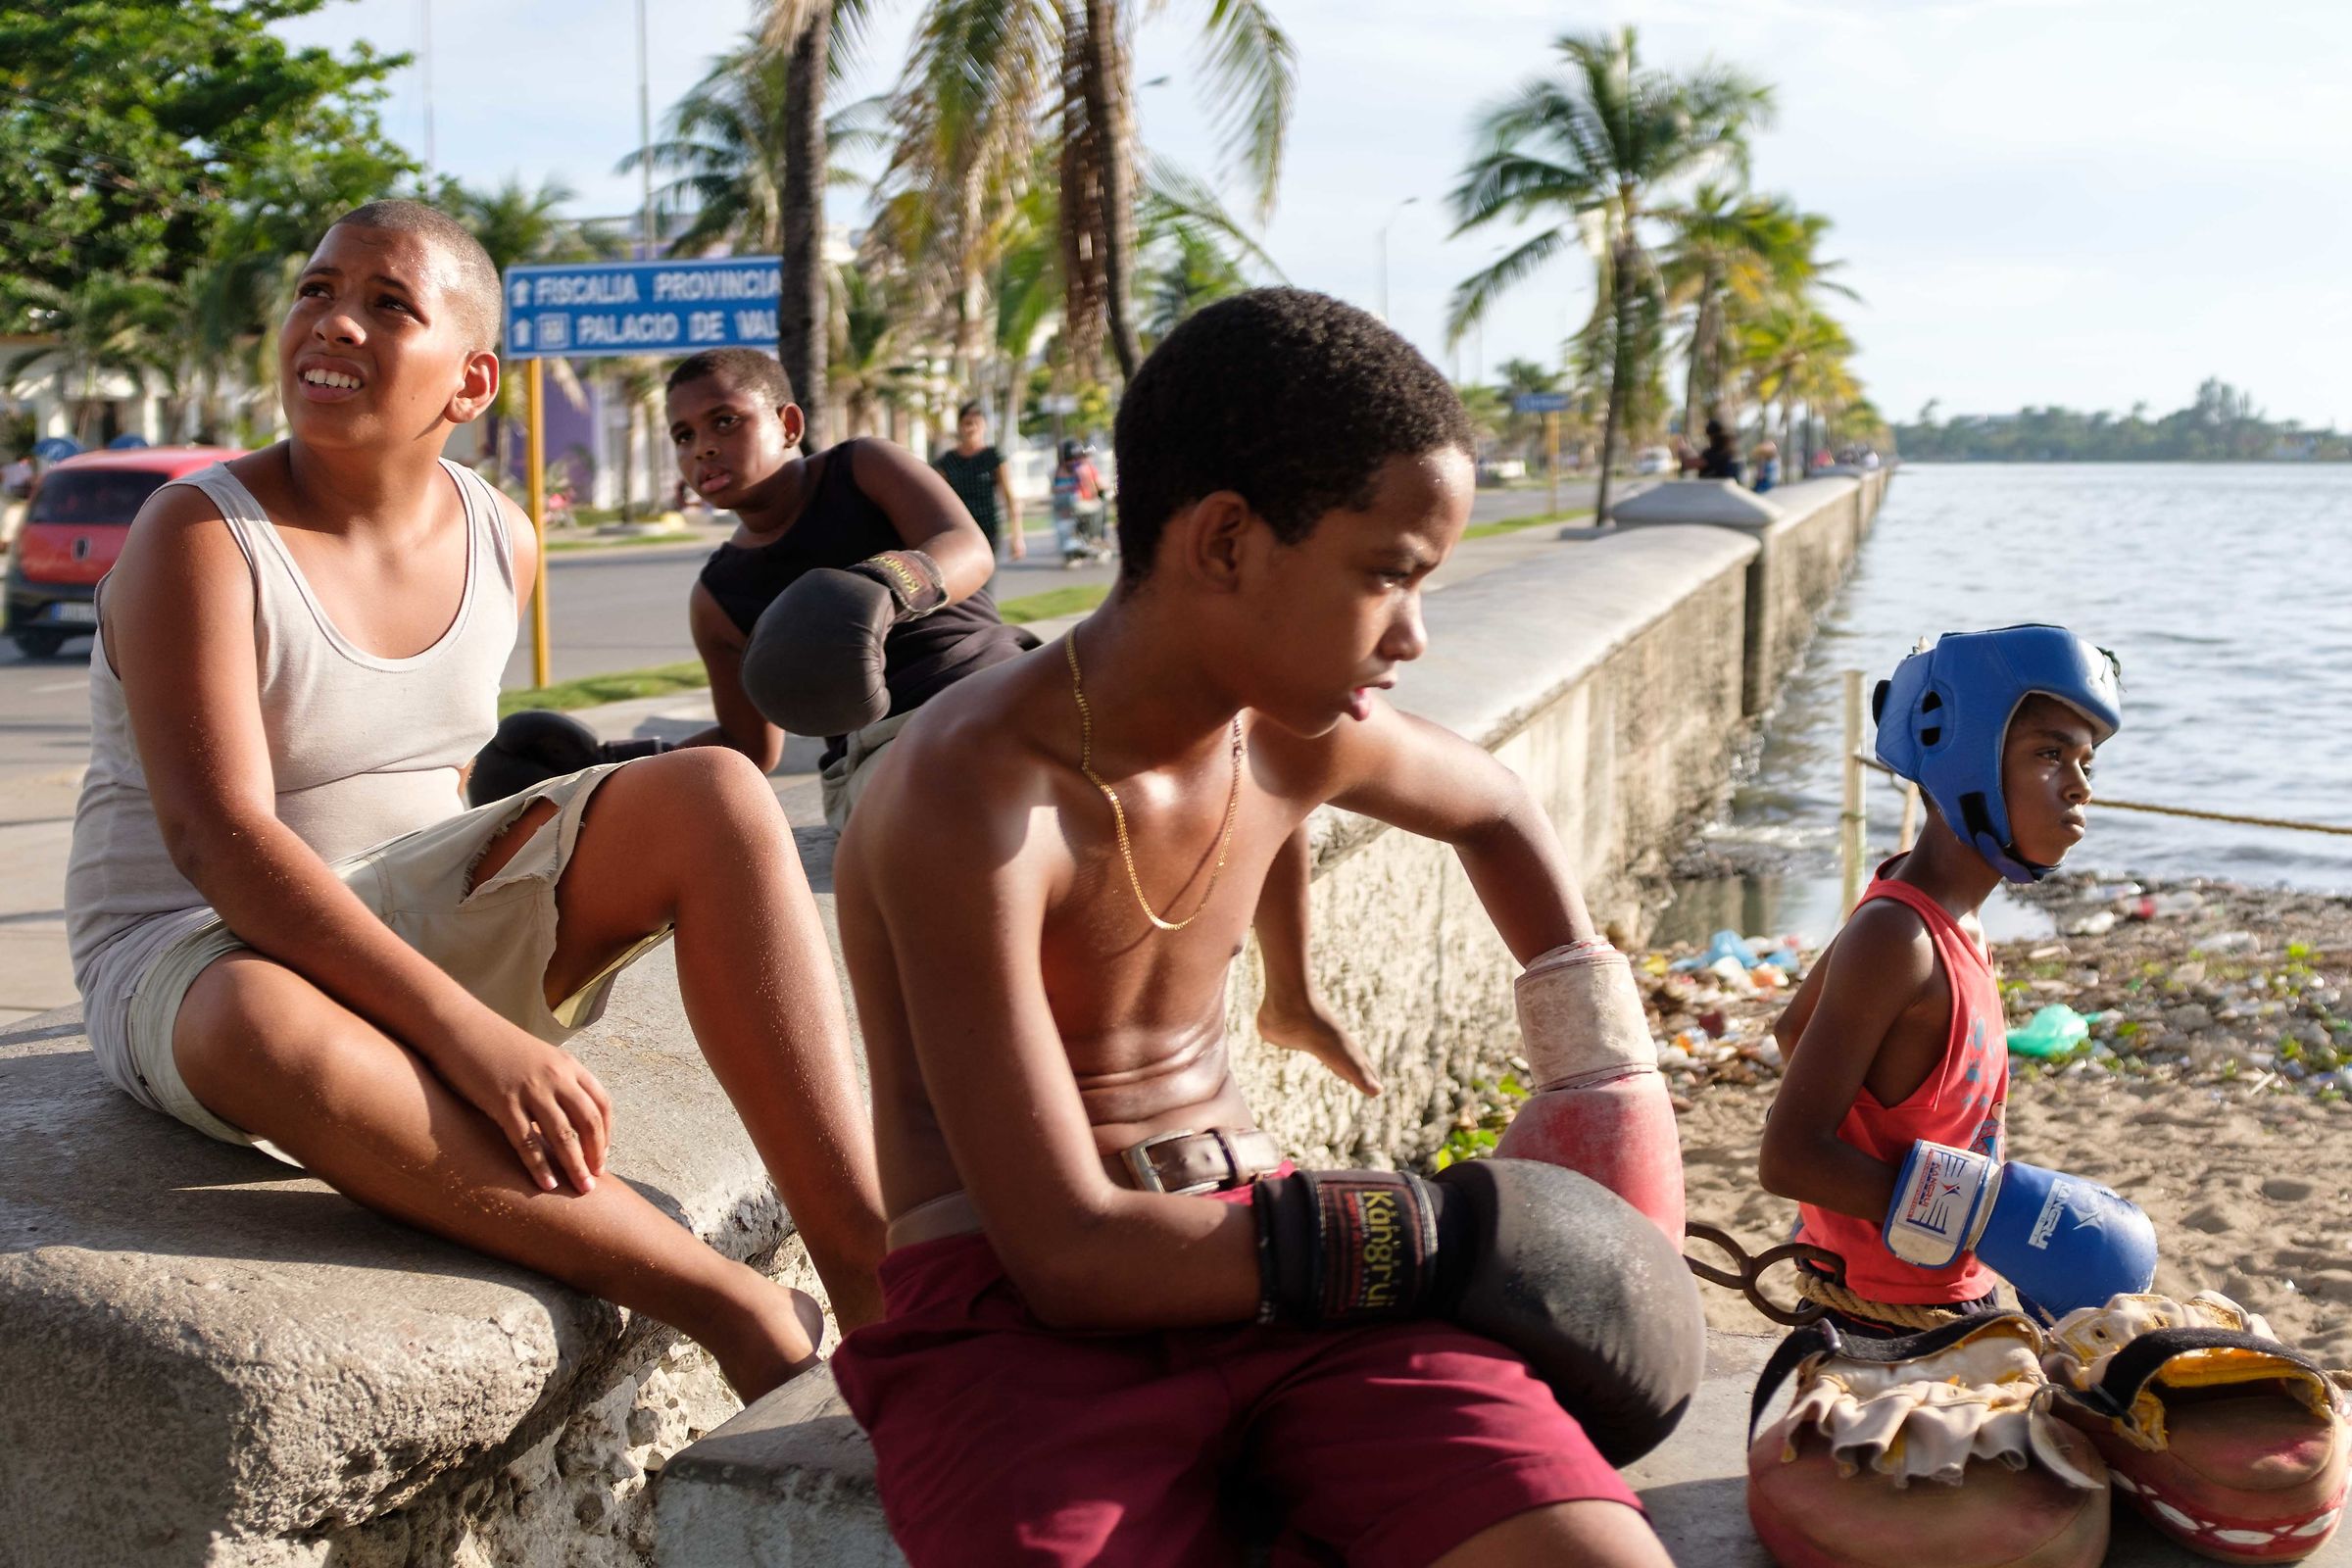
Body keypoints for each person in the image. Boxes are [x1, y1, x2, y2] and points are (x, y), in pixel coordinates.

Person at [828, 289, 1687, 1566]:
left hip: (1271, 1253)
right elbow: (1068, 1255)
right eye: (1387, 574)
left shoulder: (1289, 737)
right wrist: (1439, 1233)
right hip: (1017, 1321)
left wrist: (1604, 1072)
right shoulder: (975, 796)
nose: (1415, 634)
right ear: (1226, 541)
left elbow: (1499, 807)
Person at [65, 199, 886, 1397]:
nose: (332, 321)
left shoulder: (502, 533)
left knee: (715, 790)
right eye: (316, 290)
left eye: (388, 304)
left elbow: (443, 792)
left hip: (399, 917)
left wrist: (502, 920)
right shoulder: (200, 532)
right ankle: (738, 1310)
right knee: (259, 1024)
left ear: (471, 380)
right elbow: (219, 840)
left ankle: (871, 1273)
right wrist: (467, 1035)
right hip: (195, 948)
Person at [1758, 626, 2156, 1337]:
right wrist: (1977, 1215)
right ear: (1966, 755)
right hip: (1884, 1316)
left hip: (1945, 1288)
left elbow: (1796, 1030)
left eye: (2086, 762)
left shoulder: (1947, 919)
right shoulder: (1899, 936)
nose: (2080, 786)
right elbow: (1789, 1155)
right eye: (2049, 754)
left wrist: (1881, 1176)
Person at [933, 402, 1024, 562]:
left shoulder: (993, 457)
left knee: (984, 574)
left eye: (976, 423)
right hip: (959, 530)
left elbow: (1009, 497)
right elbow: (937, 499)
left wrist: (1017, 536)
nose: (971, 428)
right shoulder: (947, 461)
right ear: (960, 426)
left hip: (988, 530)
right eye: (967, 423)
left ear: (984, 426)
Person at [1048, 436, 1111, 564]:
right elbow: (1093, 488)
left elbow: (1054, 490)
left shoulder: (1058, 471)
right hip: (1077, 507)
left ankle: (1090, 542)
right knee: (1099, 506)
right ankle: (1094, 540)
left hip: (1072, 508)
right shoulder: (1080, 469)